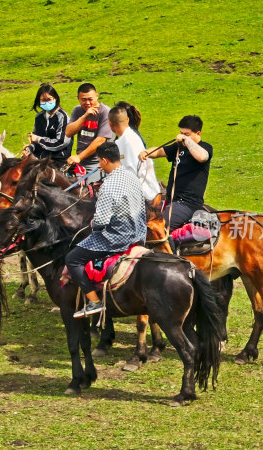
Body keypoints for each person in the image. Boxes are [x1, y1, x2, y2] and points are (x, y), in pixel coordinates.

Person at [65, 142, 147, 318]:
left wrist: (93, 223)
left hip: (116, 238)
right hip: (139, 234)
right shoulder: (132, 176)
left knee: (72, 259)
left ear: (104, 160)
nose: (99, 165)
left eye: (99, 162)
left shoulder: (109, 185)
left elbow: (102, 221)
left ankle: (94, 302)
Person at [140, 115, 213, 248]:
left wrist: (186, 140)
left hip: (188, 203)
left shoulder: (205, 147)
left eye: (187, 134)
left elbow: (202, 157)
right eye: (181, 133)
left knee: (161, 228)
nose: (181, 136)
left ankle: (174, 262)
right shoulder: (179, 147)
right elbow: (160, 151)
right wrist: (146, 152)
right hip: (172, 200)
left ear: (198, 133)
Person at [108, 105, 161, 201]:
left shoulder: (130, 140)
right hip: (133, 194)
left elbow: (134, 173)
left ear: (110, 124)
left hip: (145, 196)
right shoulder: (121, 140)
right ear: (127, 120)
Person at [65, 83, 115, 183]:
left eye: (90, 99)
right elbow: (68, 132)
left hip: (99, 163)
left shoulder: (105, 112)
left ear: (97, 96)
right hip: (81, 163)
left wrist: (79, 157)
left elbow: (100, 140)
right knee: (75, 188)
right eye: (83, 99)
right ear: (78, 98)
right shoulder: (78, 110)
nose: (87, 103)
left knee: (90, 192)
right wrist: (84, 116)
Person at [23, 83, 73, 166]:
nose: (46, 103)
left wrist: (38, 139)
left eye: (49, 99)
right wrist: (29, 150)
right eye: (43, 100)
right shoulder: (39, 117)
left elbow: (61, 142)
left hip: (58, 161)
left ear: (55, 99)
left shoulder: (63, 117)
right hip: (39, 159)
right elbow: (34, 139)